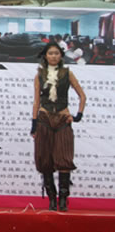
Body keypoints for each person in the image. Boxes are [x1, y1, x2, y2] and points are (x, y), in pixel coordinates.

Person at [31, 43, 86, 212]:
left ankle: (63, 198)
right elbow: (36, 101)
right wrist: (33, 124)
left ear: (61, 55)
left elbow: (82, 96)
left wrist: (77, 116)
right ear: (45, 56)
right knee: (44, 159)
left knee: (64, 159)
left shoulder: (67, 73)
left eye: (56, 53)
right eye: (50, 53)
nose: (53, 56)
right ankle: (51, 200)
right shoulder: (39, 74)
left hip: (63, 118)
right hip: (44, 118)